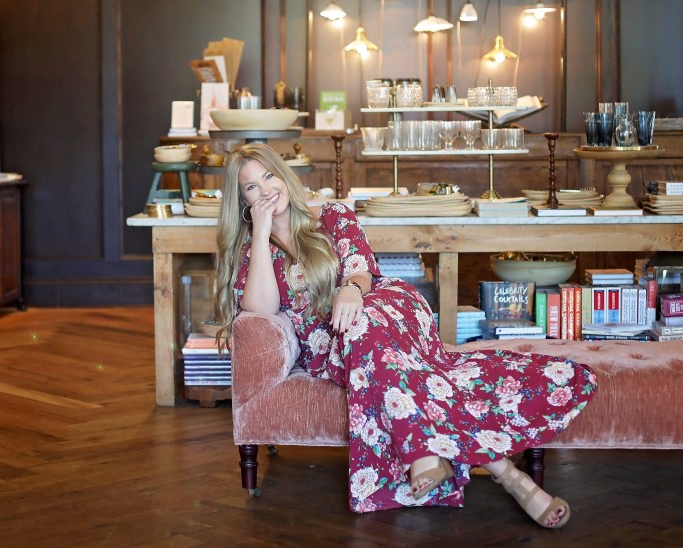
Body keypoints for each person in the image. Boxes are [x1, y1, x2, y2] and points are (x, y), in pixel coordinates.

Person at [214, 143, 598, 528]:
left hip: (383, 307)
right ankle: (512, 478)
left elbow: (360, 267)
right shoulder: (253, 252)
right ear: (243, 201)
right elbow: (261, 307)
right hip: (337, 343)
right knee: (391, 363)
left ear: (284, 175)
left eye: (269, 176)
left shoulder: (331, 215)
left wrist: (351, 289)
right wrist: (261, 233)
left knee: (366, 325)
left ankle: (426, 456)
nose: (265, 190)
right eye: (251, 187)